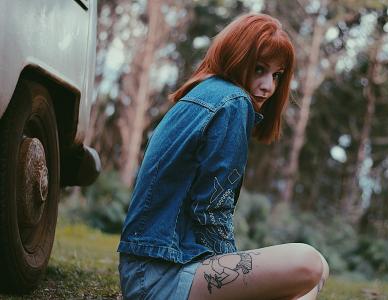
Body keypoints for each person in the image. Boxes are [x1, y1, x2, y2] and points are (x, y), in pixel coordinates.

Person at [118, 12, 329, 300]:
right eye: (258, 69)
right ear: (236, 57)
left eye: (276, 75)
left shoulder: (206, 92)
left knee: (318, 272)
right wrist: (237, 279)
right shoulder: (234, 102)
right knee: (310, 262)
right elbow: (212, 210)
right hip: (163, 276)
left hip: (146, 271)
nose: (269, 86)